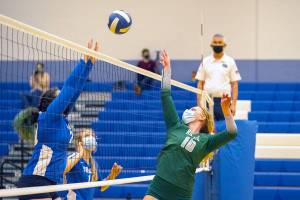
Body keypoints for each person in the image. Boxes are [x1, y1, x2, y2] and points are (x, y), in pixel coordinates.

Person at [143, 50, 238, 200]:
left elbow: (232, 133)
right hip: (159, 184)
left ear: (202, 117)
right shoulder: (175, 125)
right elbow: (165, 95)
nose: (188, 110)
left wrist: (227, 112)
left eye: (193, 109)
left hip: (182, 192)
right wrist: (167, 70)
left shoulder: (206, 141)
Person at [16, 39, 100, 200]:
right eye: (58, 96)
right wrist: (83, 60)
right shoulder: (49, 117)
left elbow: (75, 90)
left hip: (53, 183)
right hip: (36, 181)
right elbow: (69, 88)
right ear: (52, 102)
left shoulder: (62, 119)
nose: (63, 97)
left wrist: (90, 64)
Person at [62, 129, 122, 200]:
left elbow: (102, 187)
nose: (91, 138)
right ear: (80, 142)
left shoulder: (93, 164)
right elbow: (62, 170)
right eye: (87, 135)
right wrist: (80, 154)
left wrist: (112, 175)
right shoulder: (74, 157)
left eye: (93, 135)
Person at [196, 34, 241, 121]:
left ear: (224, 45)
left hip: (224, 101)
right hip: (207, 100)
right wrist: (199, 103)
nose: (217, 44)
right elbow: (200, 83)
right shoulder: (205, 61)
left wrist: (234, 104)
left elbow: (235, 84)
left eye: (220, 42)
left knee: (224, 129)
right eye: (215, 42)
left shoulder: (230, 61)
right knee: (207, 130)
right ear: (211, 44)